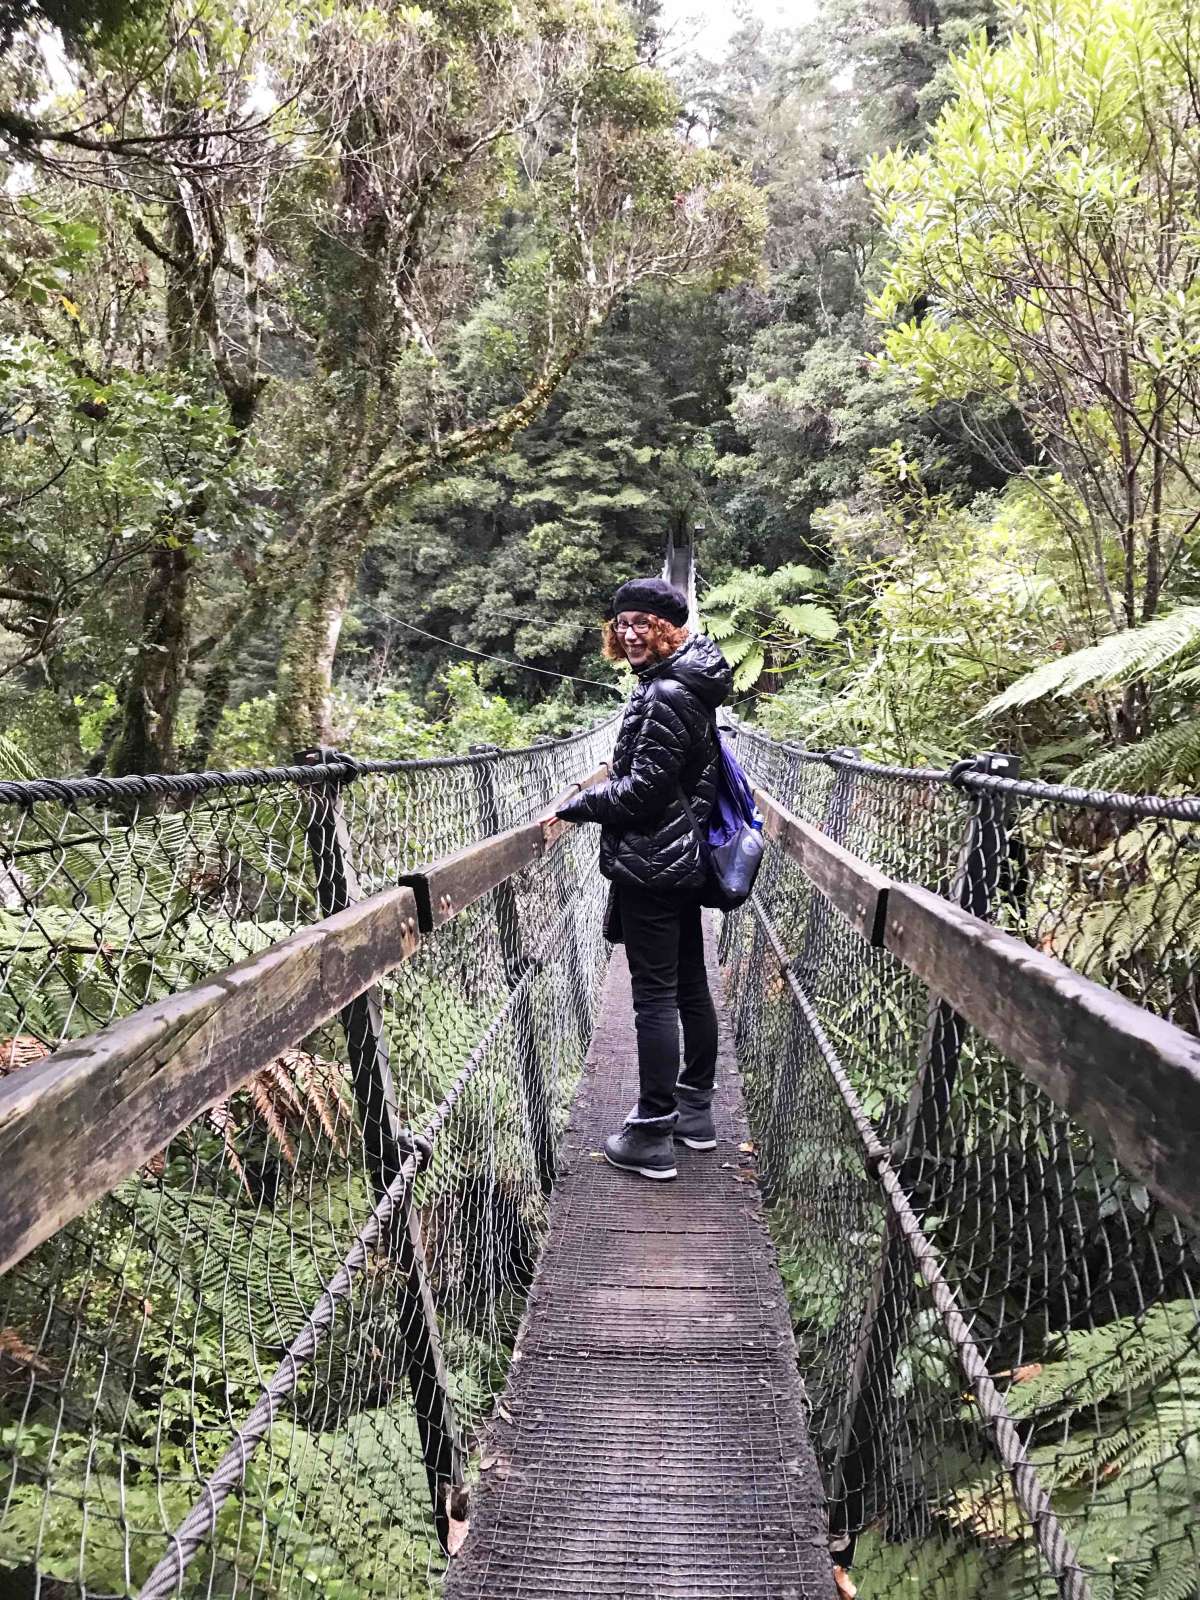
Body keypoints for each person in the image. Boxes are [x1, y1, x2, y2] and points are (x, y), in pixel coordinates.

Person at [556, 576, 733, 1181]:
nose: (630, 633)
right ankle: (695, 1115)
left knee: (655, 996)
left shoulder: (665, 694)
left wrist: (574, 806)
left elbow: (640, 794)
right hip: (680, 858)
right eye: (622, 622)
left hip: (655, 863)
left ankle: (652, 1134)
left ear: (668, 630)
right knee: (689, 984)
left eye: (643, 624)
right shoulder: (689, 684)